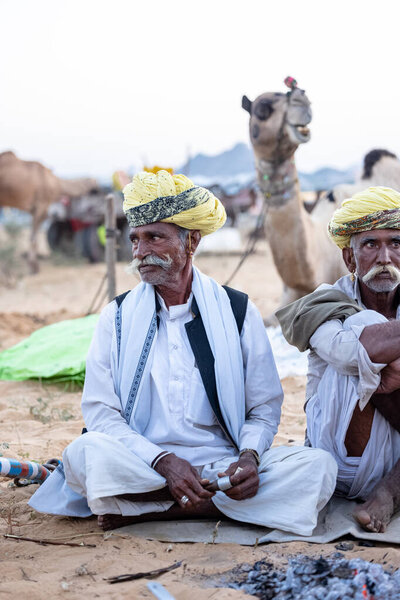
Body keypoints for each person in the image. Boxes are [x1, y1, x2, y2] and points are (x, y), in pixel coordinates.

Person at [29, 170, 336, 534]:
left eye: (154, 238)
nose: (140, 253)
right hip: (143, 464)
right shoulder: (117, 317)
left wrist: (249, 457)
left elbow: (264, 407)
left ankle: (161, 510)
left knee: (317, 466)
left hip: (220, 467)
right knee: (84, 454)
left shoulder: (237, 310)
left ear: (191, 242)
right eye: (135, 240)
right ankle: (206, 506)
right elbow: (101, 413)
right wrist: (163, 461)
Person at [277, 186, 400, 533]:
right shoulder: (324, 303)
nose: (385, 258)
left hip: (395, 460)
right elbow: (350, 354)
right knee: (366, 335)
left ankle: (389, 492)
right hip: (337, 462)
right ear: (350, 259)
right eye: (371, 245)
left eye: (396, 243)